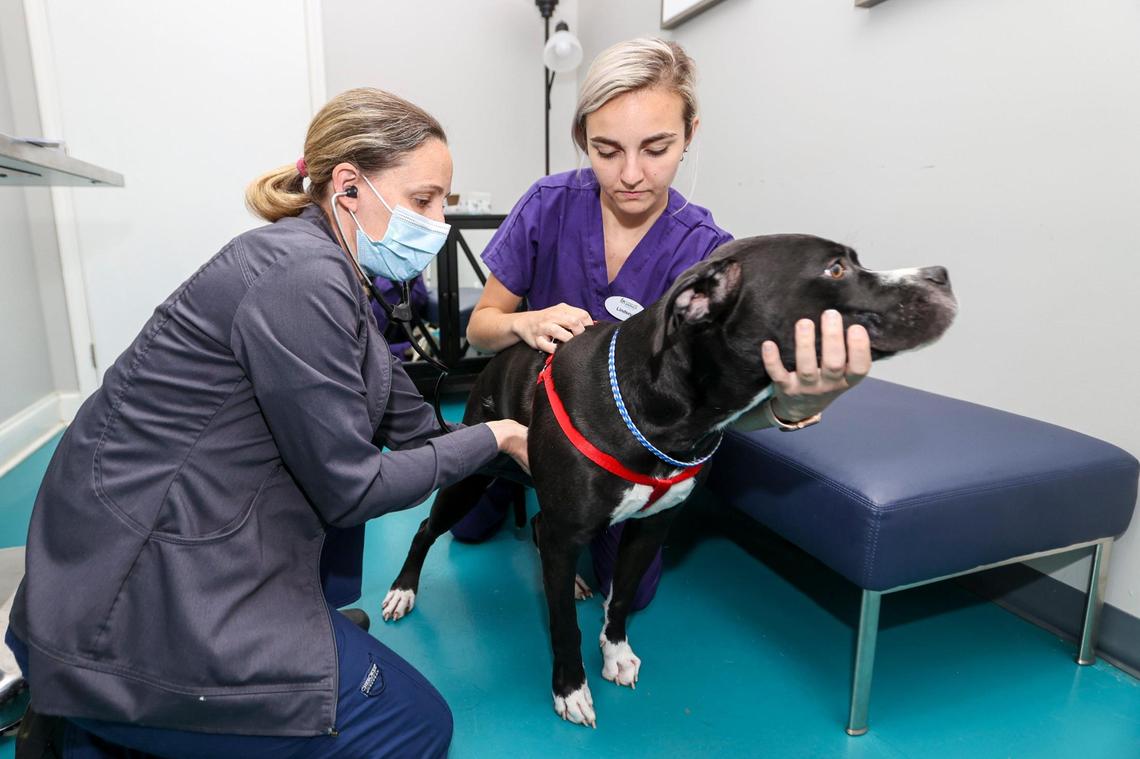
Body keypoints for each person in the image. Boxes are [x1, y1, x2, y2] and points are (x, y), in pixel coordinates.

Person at [6, 87, 528, 758]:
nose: (437, 224)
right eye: (424, 200)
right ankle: (96, 716)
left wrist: (529, 436)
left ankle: (96, 724)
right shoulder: (301, 277)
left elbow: (418, 427)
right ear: (348, 186)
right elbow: (354, 488)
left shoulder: (338, 277)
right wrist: (497, 436)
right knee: (420, 729)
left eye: (443, 205)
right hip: (131, 596)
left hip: (154, 541)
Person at [455, 38, 871, 611]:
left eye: (656, 148)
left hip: (625, 456)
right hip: (522, 409)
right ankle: (512, 488)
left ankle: (556, 514)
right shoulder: (548, 204)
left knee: (627, 592)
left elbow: (711, 412)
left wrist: (789, 409)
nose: (630, 175)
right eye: (605, 150)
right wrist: (523, 323)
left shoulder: (709, 261)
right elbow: (480, 327)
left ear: (690, 135)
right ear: (582, 140)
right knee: (466, 526)